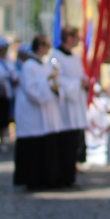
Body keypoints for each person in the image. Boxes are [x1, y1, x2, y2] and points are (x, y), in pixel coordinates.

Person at [13, 34, 63, 190]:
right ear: (40, 47)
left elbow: (51, 84)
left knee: (46, 146)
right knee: (32, 148)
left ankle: (47, 178)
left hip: (45, 114)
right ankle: (32, 180)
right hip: (32, 114)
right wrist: (47, 82)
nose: (48, 49)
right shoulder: (29, 66)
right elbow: (31, 90)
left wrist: (54, 85)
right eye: (47, 46)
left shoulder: (45, 65)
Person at [54, 26, 89, 187]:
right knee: (64, 143)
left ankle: (71, 174)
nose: (79, 40)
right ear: (69, 39)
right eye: (77, 37)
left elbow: (80, 75)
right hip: (65, 106)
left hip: (77, 104)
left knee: (75, 142)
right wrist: (76, 83)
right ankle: (62, 176)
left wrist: (83, 81)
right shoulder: (56, 56)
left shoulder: (75, 57)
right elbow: (57, 80)